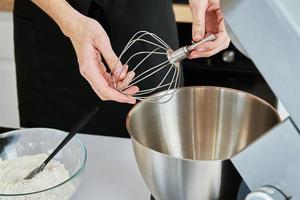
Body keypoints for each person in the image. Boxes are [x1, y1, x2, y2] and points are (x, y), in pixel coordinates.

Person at [13, 0, 229, 137]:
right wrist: (71, 23)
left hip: (144, 13)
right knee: (49, 156)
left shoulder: (151, 50)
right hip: (51, 18)